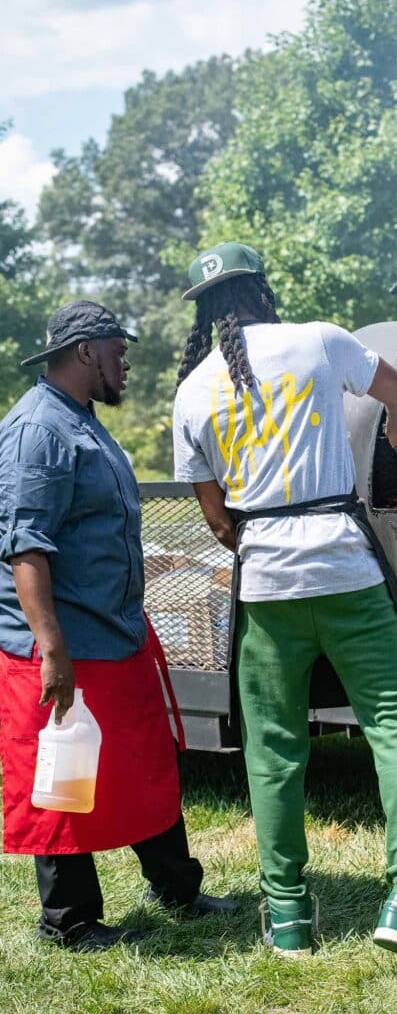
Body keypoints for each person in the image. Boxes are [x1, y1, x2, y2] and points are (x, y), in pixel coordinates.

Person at [172, 243, 397, 970]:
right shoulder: (319, 340)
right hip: (344, 568)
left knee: (273, 753)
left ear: (206, 311)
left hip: (266, 588)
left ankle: (287, 919)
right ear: (262, 289)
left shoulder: (192, 391)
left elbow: (218, 520)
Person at [0, 300, 237, 953]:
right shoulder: (37, 430)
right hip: (67, 645)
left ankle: (176, 887)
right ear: (85, 352)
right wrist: (52, 649)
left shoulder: (82, 421)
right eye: (118, 351)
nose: (126, 362)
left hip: (117, 636)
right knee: (65, 781)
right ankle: (68, 920)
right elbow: (26, 548)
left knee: (144, 765)